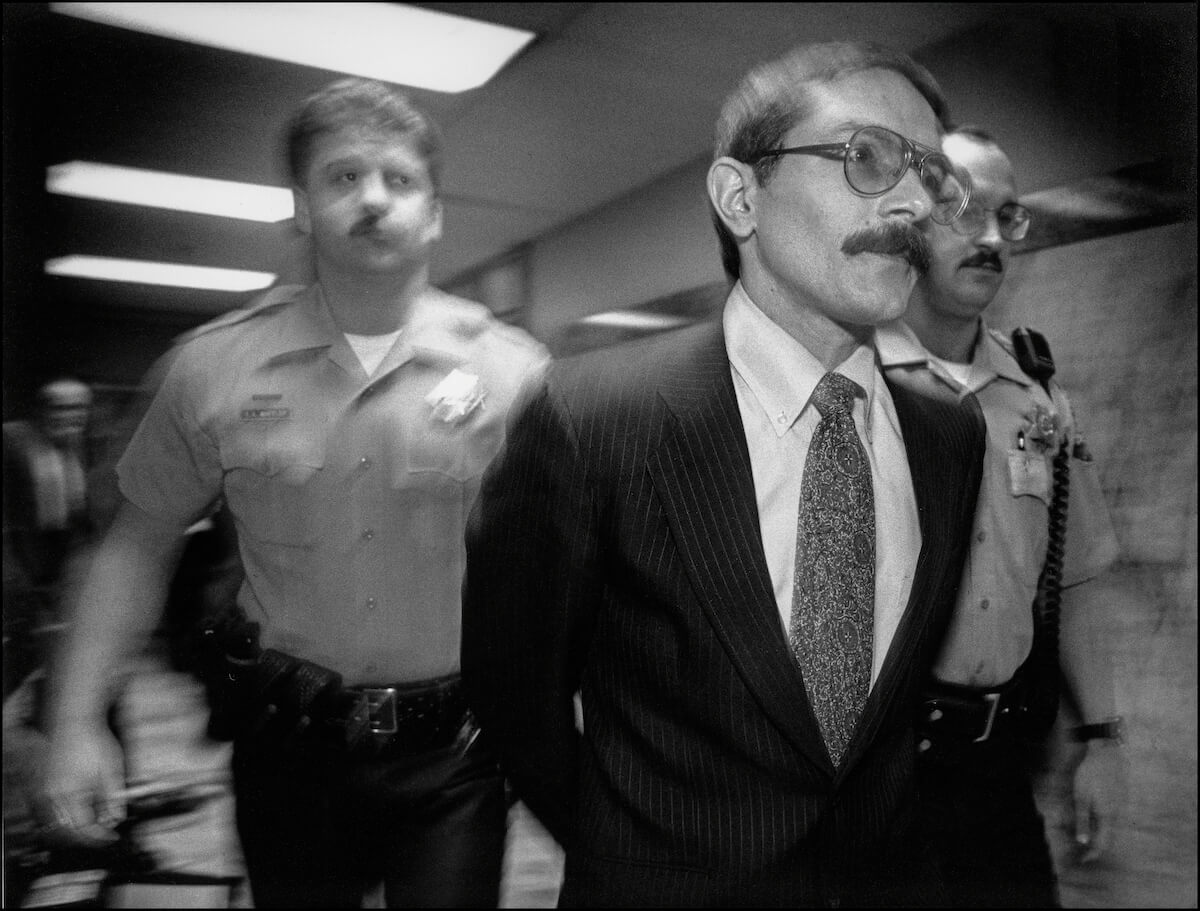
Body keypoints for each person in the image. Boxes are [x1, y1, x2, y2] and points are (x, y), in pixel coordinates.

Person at [462, 41, 986, 907]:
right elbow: (515, 695)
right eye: (867, 158)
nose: (912, 200)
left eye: (930, 174)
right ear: (741, 197)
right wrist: (625, 850)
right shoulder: (592, 415)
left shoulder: (947, 433)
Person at [36, 77, 549, 908]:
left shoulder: (514, 374)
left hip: (455, 756)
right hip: (290, 754)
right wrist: (74, 721)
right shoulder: (211, 369)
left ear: (435, 212)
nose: (373, 198)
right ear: (303, 208)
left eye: (398, 179)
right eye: (343, 178)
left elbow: (569, 562)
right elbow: (133, 547)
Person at [877, 126, 1127, 907]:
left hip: (994, 768)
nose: (990, 237)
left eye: (1008, 216)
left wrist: (1102, 739)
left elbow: (1077, 574)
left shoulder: (1038, 397)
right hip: (872, 775)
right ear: (906, 219)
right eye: (962, 210)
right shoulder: (843, 382)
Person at [3, 377, 95, 698]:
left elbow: (80, 510)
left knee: (56, 644)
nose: (72, 415)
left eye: (80, 407)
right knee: (23, 645)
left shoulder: (80, 447)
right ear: (41, 410)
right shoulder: (13, 437)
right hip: (20, 560)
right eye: (62, 406)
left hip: (61, 561)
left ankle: (45, 708)